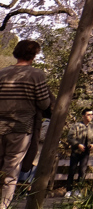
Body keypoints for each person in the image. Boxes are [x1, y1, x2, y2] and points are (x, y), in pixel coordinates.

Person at [0, 40, 52, 209]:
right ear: (34, 55)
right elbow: (44, 104)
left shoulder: (2, 73)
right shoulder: (36, 75)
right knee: (11, 170)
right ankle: (4, 205)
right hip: (22, 128)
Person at [64, 109, 93, 197]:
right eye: (88, 114)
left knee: (82, 171)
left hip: (86, 152)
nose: (91, 116)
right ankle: (69, 190)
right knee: (72, 170)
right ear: (83, 116)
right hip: (76, 151)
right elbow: (70, 137)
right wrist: (77, 145)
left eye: (92, 115)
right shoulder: (76, 126)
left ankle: (79, 190)